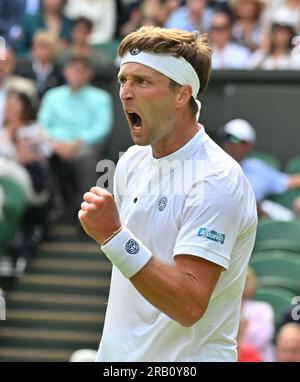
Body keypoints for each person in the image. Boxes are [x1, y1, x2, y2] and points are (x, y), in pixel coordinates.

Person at [78, 26, 257, 362]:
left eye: (142, 81)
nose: (125, 93)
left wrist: (114, 237)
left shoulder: (216, 180)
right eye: (122, 80)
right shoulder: (131, 162)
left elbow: (189, 304)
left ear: (181, 94)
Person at [38, 55, 113, 222]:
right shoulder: (52, 96)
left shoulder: (100, 97)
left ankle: (87, 212)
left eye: (81, 70)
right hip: (54, 145)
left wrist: (74, 144)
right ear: (65, 72)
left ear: (89, 74)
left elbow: (101, 128)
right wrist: (55, 144)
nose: (76, 74)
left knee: (85, 158)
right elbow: (42, 125)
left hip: (84, 146)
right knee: (38, 154)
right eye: (73, 69)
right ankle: (47, 212)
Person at [219, 118, 300, 219]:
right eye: (225, 138)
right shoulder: (212, 165)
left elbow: (290, 181)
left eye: (234, 139)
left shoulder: (256, 168)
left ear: (247, 145)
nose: (228, 143)